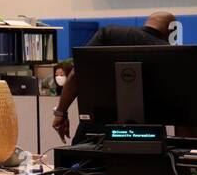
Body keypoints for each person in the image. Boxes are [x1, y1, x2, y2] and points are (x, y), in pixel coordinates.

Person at [52, 11, 174, 143]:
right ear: (171, 29)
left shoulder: (109, 33)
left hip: (96, 129)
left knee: (78, 162)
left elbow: (78, 74)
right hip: (147, 134)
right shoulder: (167, 52)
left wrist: (61, 113)